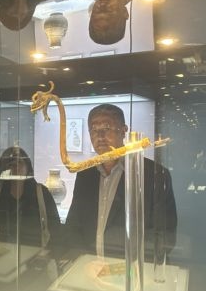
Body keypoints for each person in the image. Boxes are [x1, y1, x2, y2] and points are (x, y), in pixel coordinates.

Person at [65, 104, 177, 260]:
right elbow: (73, 226)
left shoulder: (154, 175)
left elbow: (164, 236)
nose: (100, 135)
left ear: (124, 131)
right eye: (94, 129)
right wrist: (85, 261)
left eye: (107, 127)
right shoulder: (85, 175)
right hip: (90, 267)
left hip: (131, 270)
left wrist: (123, 268)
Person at [0, 146, 61, 249]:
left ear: (28, 167)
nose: (16, 167)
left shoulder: (41, 193)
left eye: (20, 162)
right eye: (11, 164)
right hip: (3, 252)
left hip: (36, 252)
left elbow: (55, 228)